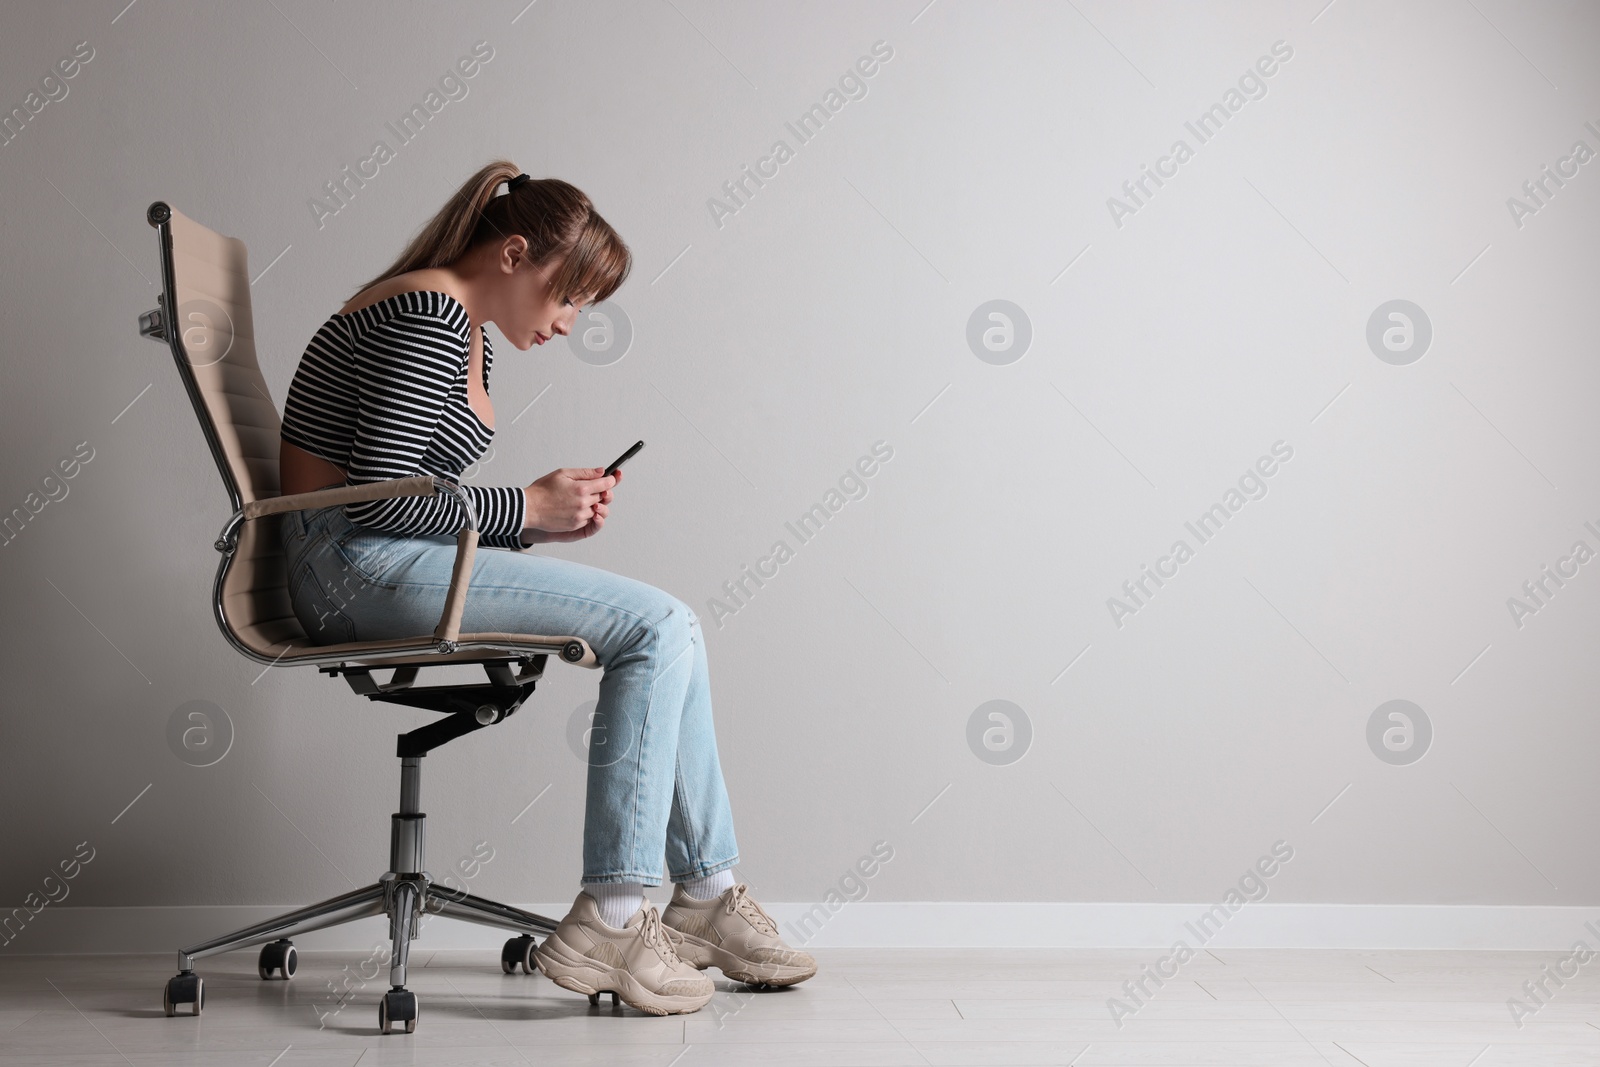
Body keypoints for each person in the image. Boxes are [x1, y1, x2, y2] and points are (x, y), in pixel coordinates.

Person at [275, 160, 815, 1016]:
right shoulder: (426, 312)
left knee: (669, 627)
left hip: (368, 561)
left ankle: (704, 893)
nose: (568, 323)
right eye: (567, 297)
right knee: (659, 625)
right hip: (352, 568)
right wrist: (523, 503)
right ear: (514, 253)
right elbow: (384, 495)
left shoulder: (461, 323)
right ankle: (619, 910)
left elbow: (410, 496)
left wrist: (532, 520)